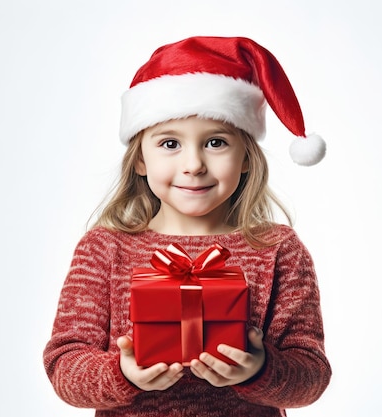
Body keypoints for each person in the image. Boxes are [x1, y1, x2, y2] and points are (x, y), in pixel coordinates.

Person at [43, 36, 331, 417]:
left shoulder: (278, 248)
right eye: (169, 144)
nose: (193, 164)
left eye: (215, 142)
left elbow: (310, 376)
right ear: (140, 160)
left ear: (246, 157)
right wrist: (121, 374)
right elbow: (64, 366)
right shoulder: (104, 249)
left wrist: (261, 369)